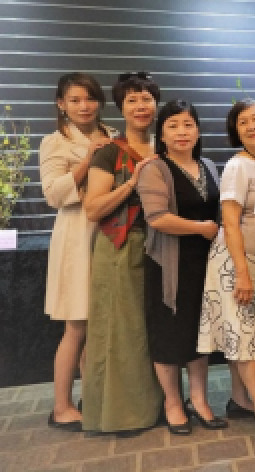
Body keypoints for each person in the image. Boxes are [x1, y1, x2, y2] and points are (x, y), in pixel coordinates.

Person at [197, 99, 255, 446]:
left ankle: (240, 399)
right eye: (243, 122)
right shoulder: (238, 166)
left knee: (244, 336)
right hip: (236, 262)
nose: (252, 126)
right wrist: (242, 274)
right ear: (235, 130)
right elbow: (230, 223)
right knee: (246, 339)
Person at [137, 99, 226, 435]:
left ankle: (199, 400)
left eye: (188, 124)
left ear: (198, 130)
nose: (181, 132)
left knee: (198, 333)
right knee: (170, 335)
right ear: (161, 134)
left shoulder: (208, 166)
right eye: (173, 125)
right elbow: (157, 218)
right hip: (169, 266)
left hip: (205, 264)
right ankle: (173, 403)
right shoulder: (155, 168)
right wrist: (201, 228)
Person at [80, 72, 163, 432]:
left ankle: (160, 404)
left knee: (152, 329)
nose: (140, 106)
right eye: (132, 100)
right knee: (120, 330)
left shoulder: (164, 146)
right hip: (120, 248)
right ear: (121, 108)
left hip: (160, 247)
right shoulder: (110, 151)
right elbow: (93, 208)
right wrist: (131, 183)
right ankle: (121, 414)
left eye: (146, 99)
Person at [39, 72, 115, 431]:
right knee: (76, 325)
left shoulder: (112, 134)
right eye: (75, 100)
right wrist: (88, 161)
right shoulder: (54, 142)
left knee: (97, 324)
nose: (84, 106)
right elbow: (53, 194)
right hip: (75, 239)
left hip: (108, 235)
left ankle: (92, 397)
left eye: (90, 98)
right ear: (61, 104)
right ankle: (61, 407)